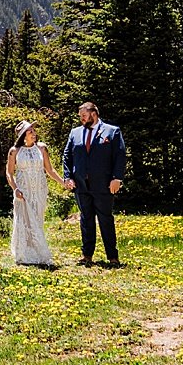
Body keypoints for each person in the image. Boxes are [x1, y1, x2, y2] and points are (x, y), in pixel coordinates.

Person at [61, 101, 125, 267]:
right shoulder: (75, 133)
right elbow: (67, 156)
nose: (81, 119)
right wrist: (68, 177)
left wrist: (117, 178)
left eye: (83, 115)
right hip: (81, 185)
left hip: (104, 184)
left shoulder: (112, 131)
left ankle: (112, 256)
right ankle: (87, 255)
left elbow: (120, 155)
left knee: (106, 220)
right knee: (86, 219)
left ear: (93, 113)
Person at [5, 119, 67, 268]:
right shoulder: (14, 151)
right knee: (24, 221)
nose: (34, 133)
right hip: (23, 192)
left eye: (33, 131)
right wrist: (15, 189)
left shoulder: (42, 148)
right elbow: (9, 173)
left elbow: (50, 170)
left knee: (37, 220)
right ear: (23, 136)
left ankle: (36, 251)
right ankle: (25, 253)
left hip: (39, 190)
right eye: (30, 131)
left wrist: (63, 182)